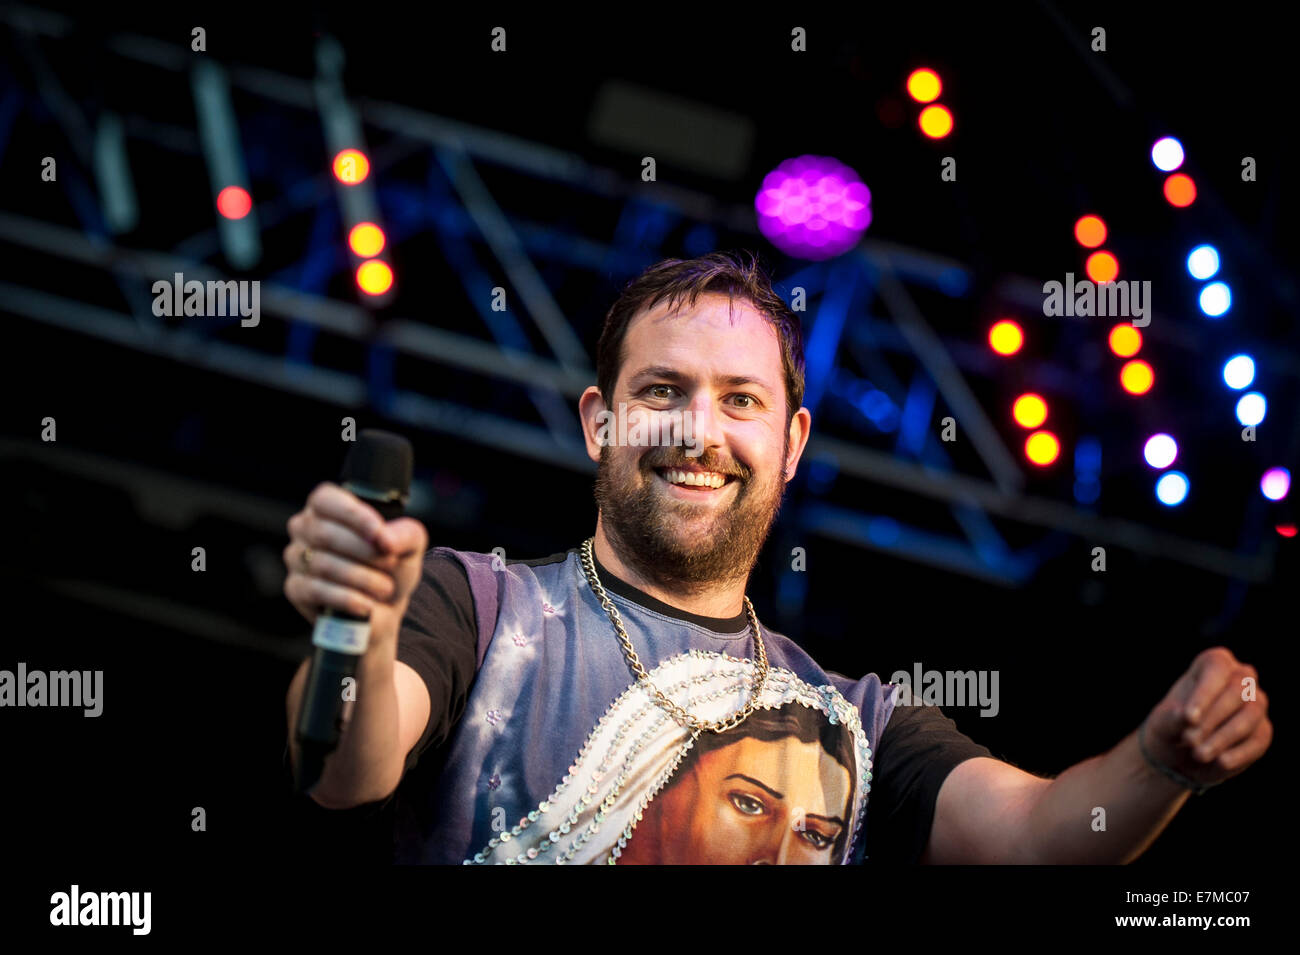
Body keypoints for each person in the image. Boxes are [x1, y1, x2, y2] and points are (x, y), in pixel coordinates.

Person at [282, 251, 1272, 865]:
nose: (698, 431)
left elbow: (1041, 835)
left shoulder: (857, 723)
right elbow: (345, 771)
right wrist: (355, 631)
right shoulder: (481, 606)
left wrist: (1159, 761)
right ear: (601, 421)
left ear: (791, 443)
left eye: (740, 400)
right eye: (662, 391)